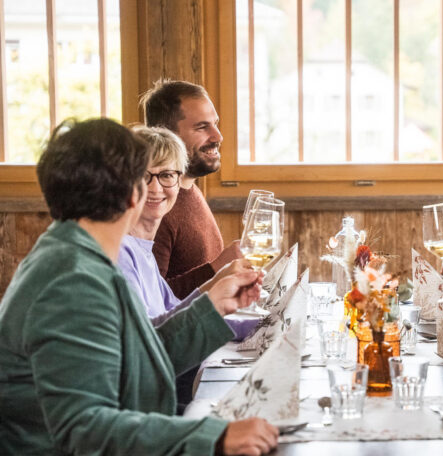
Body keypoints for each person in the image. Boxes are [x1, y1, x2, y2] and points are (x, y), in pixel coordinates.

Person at [0, 119, 278, 455]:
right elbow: (84, 429)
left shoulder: (74, 254)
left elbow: (137, 361)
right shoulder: (72, 282)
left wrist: (211, 310)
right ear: (135, 194)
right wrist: (212, 438)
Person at [118, 125, 259, 339]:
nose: (156, 188)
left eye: (166, 175)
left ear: (179, 181)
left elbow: (174, 312)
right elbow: (146, 342)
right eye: (143, 176)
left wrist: (218, 283)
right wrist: (216, 298)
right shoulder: (121, 252)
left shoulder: (143, 250)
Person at [140, 79, 241, 299]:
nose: (218, 136)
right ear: (167, 135)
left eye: (215, 123)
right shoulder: (157, 206)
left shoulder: (189, 189)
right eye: (202, 127)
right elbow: (152, 302)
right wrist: (219, 268)